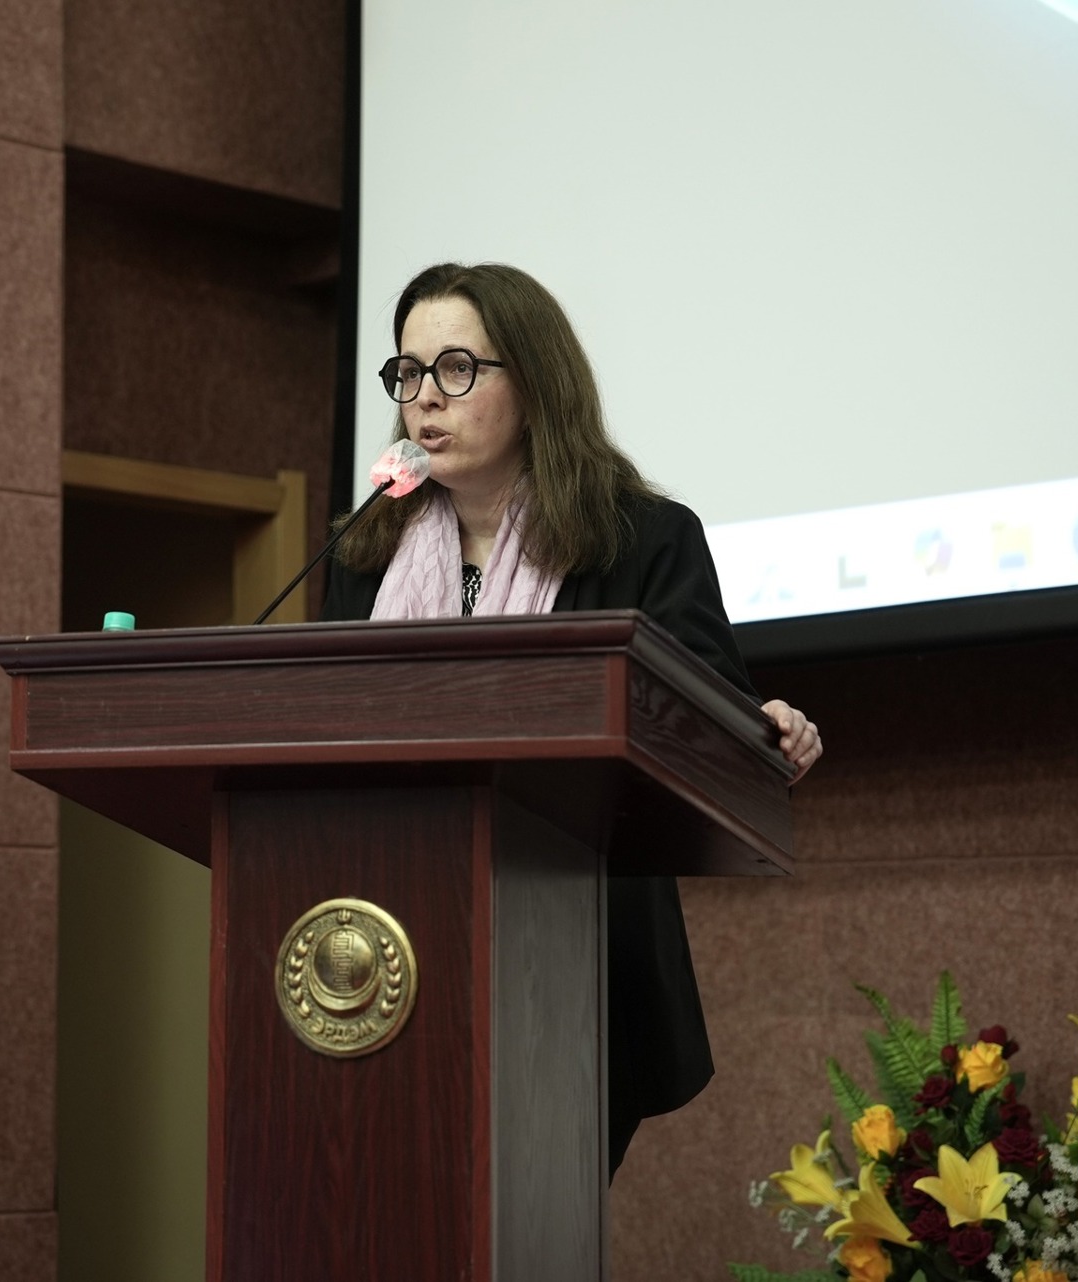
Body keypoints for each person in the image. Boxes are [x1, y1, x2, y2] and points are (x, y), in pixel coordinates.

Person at [322, 262, 823, 1179]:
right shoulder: (365, 555)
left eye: (456, 369)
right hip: (389, 943)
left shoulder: (640, 541)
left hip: (578, 958)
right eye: (408, 373)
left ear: (535, 383)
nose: (425, 398)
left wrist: (764, 729)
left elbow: (708, 718)